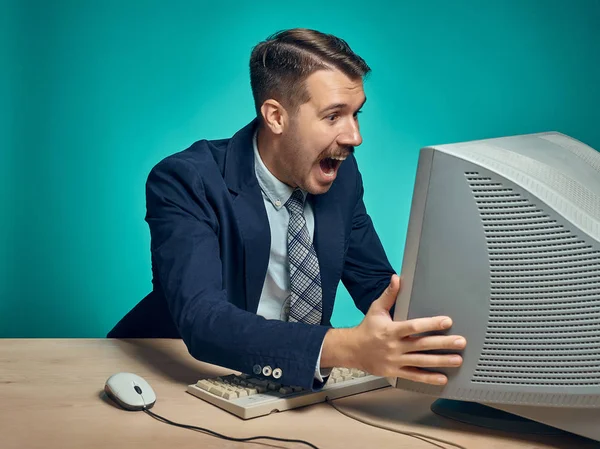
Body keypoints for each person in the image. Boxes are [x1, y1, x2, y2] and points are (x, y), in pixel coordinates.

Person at [108, 28, 466, 391]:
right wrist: (345, 348)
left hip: (286, 389)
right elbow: (204, 320)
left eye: (356, 114)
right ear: (276, 117)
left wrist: (458, 336)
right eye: (333, 116)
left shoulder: (342, 178)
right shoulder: (186, 180)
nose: (354, 136)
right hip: (167, 381)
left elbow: (377, 287)